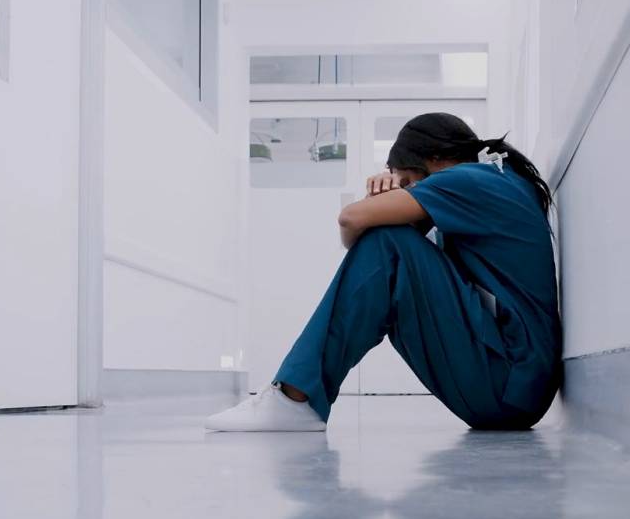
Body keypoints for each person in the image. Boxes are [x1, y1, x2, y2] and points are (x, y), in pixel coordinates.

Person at [205, 112, 562, 432]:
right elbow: (365, 252)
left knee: (388, 239)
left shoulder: (469, 179)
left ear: (435, 160)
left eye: (407, 181)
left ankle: (295, 398)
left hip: (507, 382)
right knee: (389, 244)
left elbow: (352, 221)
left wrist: (376, 200)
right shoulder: (496, 178)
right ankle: (296, 395)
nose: (406, 190)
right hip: (516, 387)